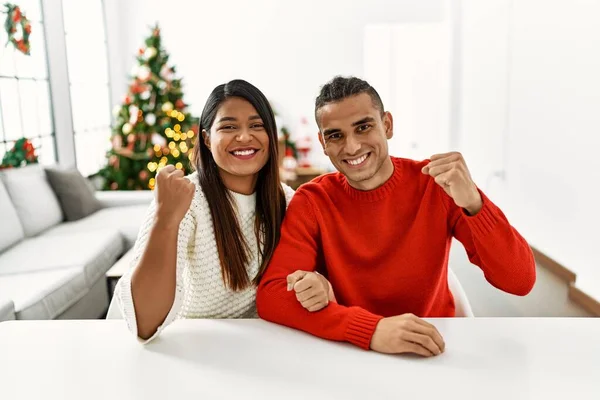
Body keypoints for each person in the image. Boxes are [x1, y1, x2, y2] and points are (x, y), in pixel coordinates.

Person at [256, 76, 536, 357]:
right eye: (335, 135)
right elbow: (272, 296)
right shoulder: (313, 200)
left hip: (435, 346)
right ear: (323, 143)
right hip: (354, 351)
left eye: (363, 127)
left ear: (387, 125)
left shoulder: (435, 185)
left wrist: (476, 204)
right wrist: (371, 329)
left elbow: (520, 281)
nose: (351, 147)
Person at [108, 79, 333, 342]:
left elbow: (311, 278)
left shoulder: (286, 199)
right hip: (191, 346)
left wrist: (320, 284)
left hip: (257, 345)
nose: (245, 137)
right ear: (206, 138)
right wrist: (165, 218)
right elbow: (145, 325)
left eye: (257, 125)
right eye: (229, 127)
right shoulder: (187, 200)